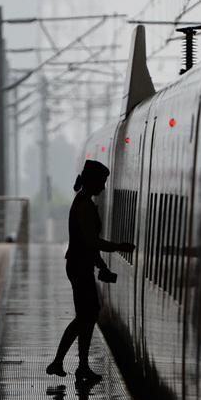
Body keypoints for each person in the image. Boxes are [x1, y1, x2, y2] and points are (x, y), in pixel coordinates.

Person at [46, 159, 135, 384]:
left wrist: (101, 265)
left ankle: (80, 365)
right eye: (102, 182)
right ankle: (59, 362)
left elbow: (88, 244)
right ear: (93, 181)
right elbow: (91, 241)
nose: (104, 187)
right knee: (85, 317)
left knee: (88, 316)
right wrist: (119, 247)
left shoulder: (83, 202)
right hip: (78, 266)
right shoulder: (84, 205)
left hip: (80, 264)